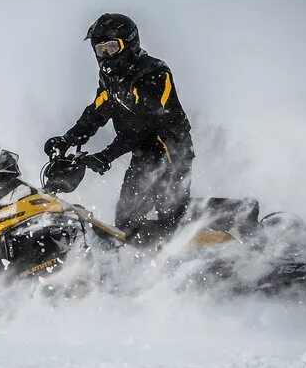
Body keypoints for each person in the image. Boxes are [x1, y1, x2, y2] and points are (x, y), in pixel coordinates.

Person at [44, 13, 194, 246]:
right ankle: (142, 262)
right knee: (126, 221)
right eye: (100, 49)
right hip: (143, 151)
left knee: (170, 217)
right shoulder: (110, 78)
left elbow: (146, 124)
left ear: (130, 43)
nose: (105, 55)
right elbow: (96, 112)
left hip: (170, 150)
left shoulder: (154, 72)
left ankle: (189, 252)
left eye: (112, 47)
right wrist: (68, 139)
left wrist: (106, 155)